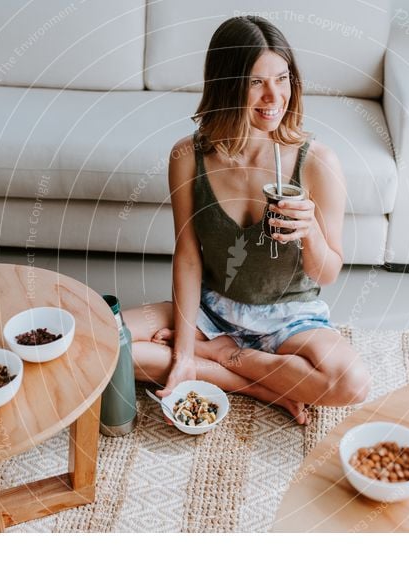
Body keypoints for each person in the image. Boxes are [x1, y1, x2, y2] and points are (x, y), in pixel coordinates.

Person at [122, 15, 371, 425]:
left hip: (289, 317)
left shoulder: (318, 162)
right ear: (227, 86)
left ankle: (223, 358)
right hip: (212, 309)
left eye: (282, 78)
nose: (274, 96)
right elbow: (187, 255)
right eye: (256, 82)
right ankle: (261, 385)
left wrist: (308, 233)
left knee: (351, 382)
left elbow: (326, 273)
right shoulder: (188, 156)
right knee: (109, 343)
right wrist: (185, 350)